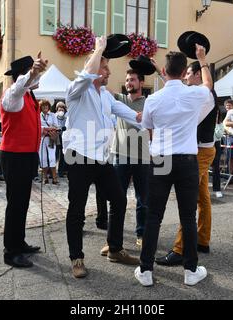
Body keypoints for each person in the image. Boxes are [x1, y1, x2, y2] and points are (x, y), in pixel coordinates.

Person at [134, 46, 214, 287]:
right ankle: (190, 271)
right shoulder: (194, 94)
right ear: (182, 73)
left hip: (160, 158)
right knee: (188, 216)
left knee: (153, 217)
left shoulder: (154, 99)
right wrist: (202, 60)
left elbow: (148, 128)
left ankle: (145, 270)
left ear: (165, 72)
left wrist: (157, 144)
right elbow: (208, 86)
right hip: (187, 160)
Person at [63, 36, 142, 279]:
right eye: (105, 67)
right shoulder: (76, 90)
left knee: (118, 201)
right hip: (79, 157)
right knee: (76, 210)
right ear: (96, 69)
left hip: (102, 159)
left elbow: (133, 116)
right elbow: (86, 74)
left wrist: (155, 120)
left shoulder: (106, 95)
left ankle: (115, 249)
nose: (109, 71)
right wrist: (98, 50)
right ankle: (77, 258)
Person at [155, 61, 218, 268]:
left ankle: (180, 250)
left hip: (199, 152)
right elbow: (176, 92)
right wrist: (161, 72)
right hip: (203, 149)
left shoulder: (202, 95)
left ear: (199, 75)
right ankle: (202, 240)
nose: (185, 77)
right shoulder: (200, 94)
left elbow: (180, 108)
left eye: (189, 74)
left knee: (188, 201)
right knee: (202, 198)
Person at [0, 54, 47, 268]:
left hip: (27, 155)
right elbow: (19, 87)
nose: (39, 79)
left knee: (23, 203)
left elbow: (25, 123)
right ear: (24, 75)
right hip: (15, 156)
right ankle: (11, 251)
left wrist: (44, 131)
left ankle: (19, 242)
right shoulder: (13, 94)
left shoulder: (29, 96)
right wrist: (31, 74)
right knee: (16, 204)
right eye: (35, 75)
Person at [110, 69, 150, 249]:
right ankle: (113, 240)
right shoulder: (120, 99)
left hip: (142, 158)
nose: (129, 83)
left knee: (143, 200)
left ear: (141, 83)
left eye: (133, 80)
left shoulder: (149, 103)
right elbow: (104, 90)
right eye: (127, 80)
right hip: (121, 156)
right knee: (118, 199)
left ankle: (141, 234)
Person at [39, 99, 59, 185]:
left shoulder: (53, 115)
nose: (45, 107)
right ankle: (45, 178)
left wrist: (46, 129)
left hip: (51, 138)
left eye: (46, 106)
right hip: (41, 139)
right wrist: (45, 128)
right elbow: (37, 127)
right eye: (43, 106)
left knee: (52, 157)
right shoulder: (38, 116)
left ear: (48, 107)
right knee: (43, 158)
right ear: (41, 107)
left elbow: (56, 126)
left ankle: (54, 178)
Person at [55, 102, 68, 178]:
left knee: (62, 155)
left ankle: (61, 171)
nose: (61, 111)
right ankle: (51, 171)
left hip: (63, 137)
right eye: (59, 109)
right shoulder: (54, 116)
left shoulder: (66, 118)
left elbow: (66, 126)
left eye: (62, 109)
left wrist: (62, 128)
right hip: (56, 137)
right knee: (55, 153)